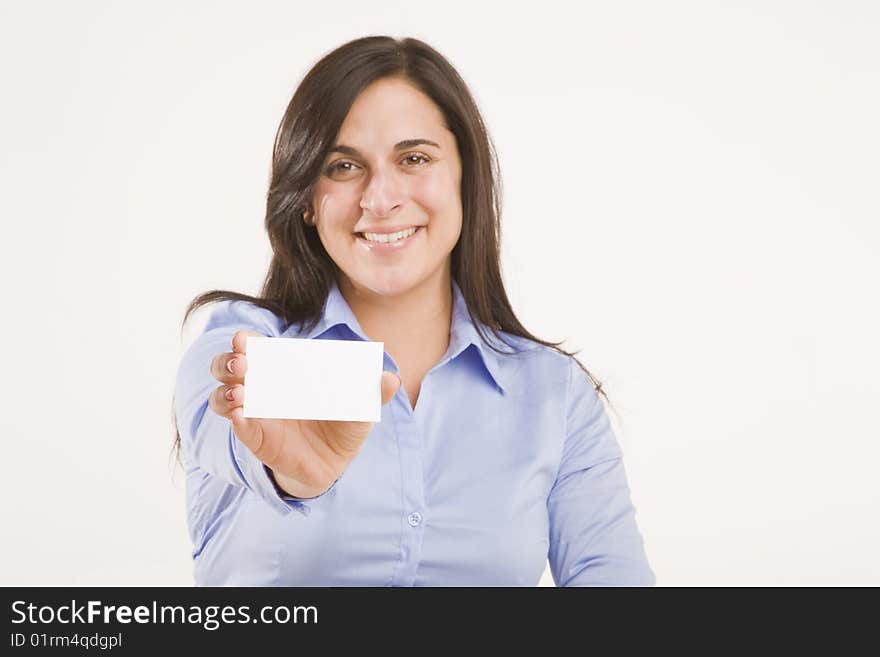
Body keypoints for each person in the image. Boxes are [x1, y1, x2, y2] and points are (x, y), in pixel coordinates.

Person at [172, 35, 656, 586]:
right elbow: (226, 419)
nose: (380, 199)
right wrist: (289, 476)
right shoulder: (236, 344)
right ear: (306, 198)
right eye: (343, 166)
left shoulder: (554, 392)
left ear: (466, 180)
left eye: (414, 158)